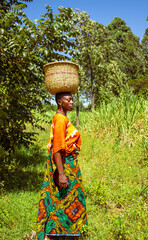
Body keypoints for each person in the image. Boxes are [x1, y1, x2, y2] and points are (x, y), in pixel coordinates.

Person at [36, 92, 87, 240]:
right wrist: (62, 173)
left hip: (68, 166)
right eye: (68, 100)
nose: (72, 102)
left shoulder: (63, 118)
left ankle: (62, 232)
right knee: (61, 200)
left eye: (72, 99)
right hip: (64, 166)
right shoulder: (60, 119)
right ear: (60, 102)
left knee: (64, 200)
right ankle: (52, 234)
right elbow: (57, 149)